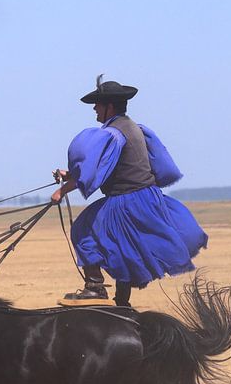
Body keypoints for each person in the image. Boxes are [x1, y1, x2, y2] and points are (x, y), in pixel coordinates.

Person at [51, 75, 207, 307]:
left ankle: (94, 287)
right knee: (123, 247)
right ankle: (121, 302)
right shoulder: (132, 128)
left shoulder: (113, 134)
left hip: (128, 200)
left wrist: (62, 191)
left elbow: (97, 170)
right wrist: (70, 176)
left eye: (98, 104)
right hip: (146, 197)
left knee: (83, 230)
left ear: (109, 106)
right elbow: (109, 167)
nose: (94, 108)